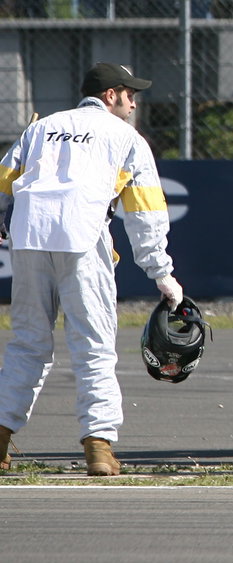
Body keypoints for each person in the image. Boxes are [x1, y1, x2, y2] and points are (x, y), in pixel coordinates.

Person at [0, 62, 183, 476]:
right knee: (94, 346)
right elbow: (146, 214)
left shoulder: (41, 127)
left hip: (29, 237)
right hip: (82, 236)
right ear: (110, 95)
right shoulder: (126, 137)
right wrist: (162, 273)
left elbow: (3, 182)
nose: (134, 102)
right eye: (129, 93)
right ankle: (99, 447)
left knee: (27, 344)